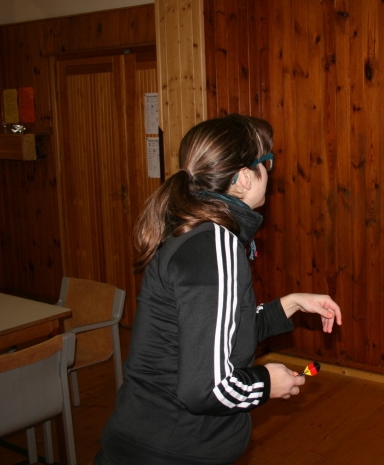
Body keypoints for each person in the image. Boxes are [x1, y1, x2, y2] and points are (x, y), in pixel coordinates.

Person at [96, 114, 342, 465]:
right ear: (245, 177)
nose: (269, 172)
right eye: (267, 162)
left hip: (152, 440)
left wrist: (288, 305)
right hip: (173, 449)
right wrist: (265, 383)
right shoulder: (216, 245)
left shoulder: (198, 231)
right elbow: (206, 388)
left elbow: (218, 335)